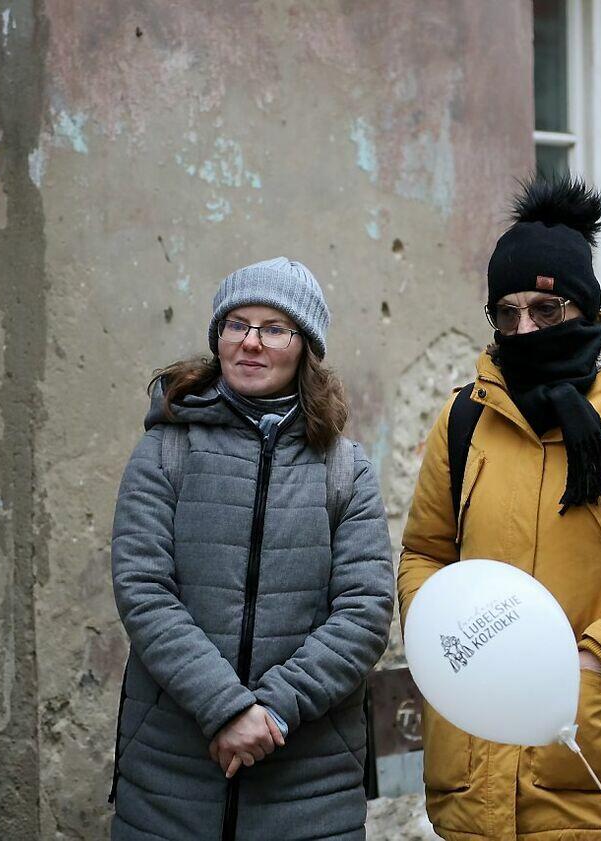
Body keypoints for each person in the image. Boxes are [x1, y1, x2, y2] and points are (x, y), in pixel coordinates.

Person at [398, 175, 601, 840]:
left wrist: (593, 660)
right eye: (506, 313)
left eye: (546, 310)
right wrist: (445, 641)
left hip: (592, 766)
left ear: (584, 307)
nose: (525, 329)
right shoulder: (465, 419)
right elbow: (426, 552)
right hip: (472, 766)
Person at [108, 258, 394, 840]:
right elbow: (143, 589)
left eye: (274, 328)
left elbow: (364, 613)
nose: (251, 342)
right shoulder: (166, 450)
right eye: (236, 324)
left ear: (305, 347)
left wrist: (273, 711)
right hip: (171, 779)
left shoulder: (345, 470)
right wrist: (226, 708)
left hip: (309, 787)